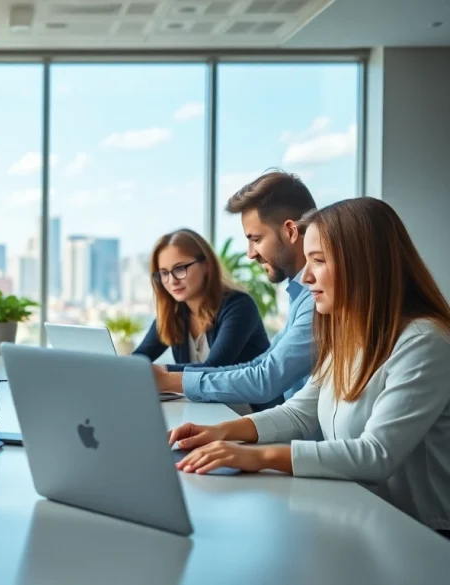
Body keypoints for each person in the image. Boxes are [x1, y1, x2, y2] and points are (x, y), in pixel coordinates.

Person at [168, 198, 450, 537]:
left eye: (318, 260)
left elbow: (376, 454)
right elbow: (301, 413)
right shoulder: (348, 332)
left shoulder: (424, 341)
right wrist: (223, 431)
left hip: (422, 536)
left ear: (364, 265)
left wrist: (257, 458)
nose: (307, 276)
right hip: (361, 517)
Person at [153, 171, 317, 410]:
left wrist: (169, 378)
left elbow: (266, 379)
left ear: (291, 231)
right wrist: (165, 374)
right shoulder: (300, 294)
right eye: (164, 273)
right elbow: (259, 365)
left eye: (256, 239)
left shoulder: (317, 298)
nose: (250, 253)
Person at [133, 229, 269, 369]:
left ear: (206, 265)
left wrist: (155, 371)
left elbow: (213, 369)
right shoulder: (173, 314)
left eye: (179, 268)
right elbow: (139, 358)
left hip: (247, 392)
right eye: (164, 273)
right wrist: (122, 366)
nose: (172, 281)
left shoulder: (239, 306)